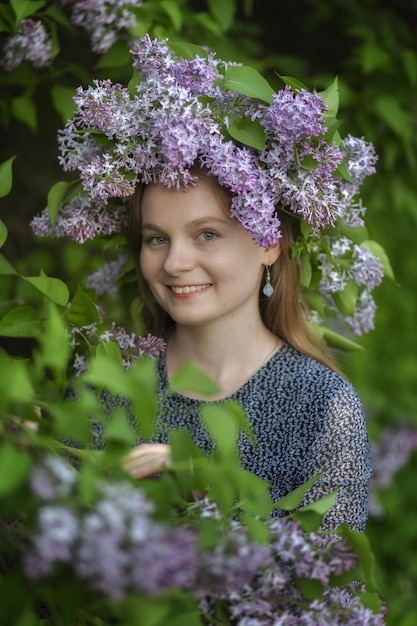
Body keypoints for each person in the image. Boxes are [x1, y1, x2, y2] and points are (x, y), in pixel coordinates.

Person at [35, 35, 382, 533]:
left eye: (206, 234)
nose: (175, 262)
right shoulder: (108, 386)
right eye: (156, 239)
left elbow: (331, 597)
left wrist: (208, 503)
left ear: (268, 243)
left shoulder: (322, 407)